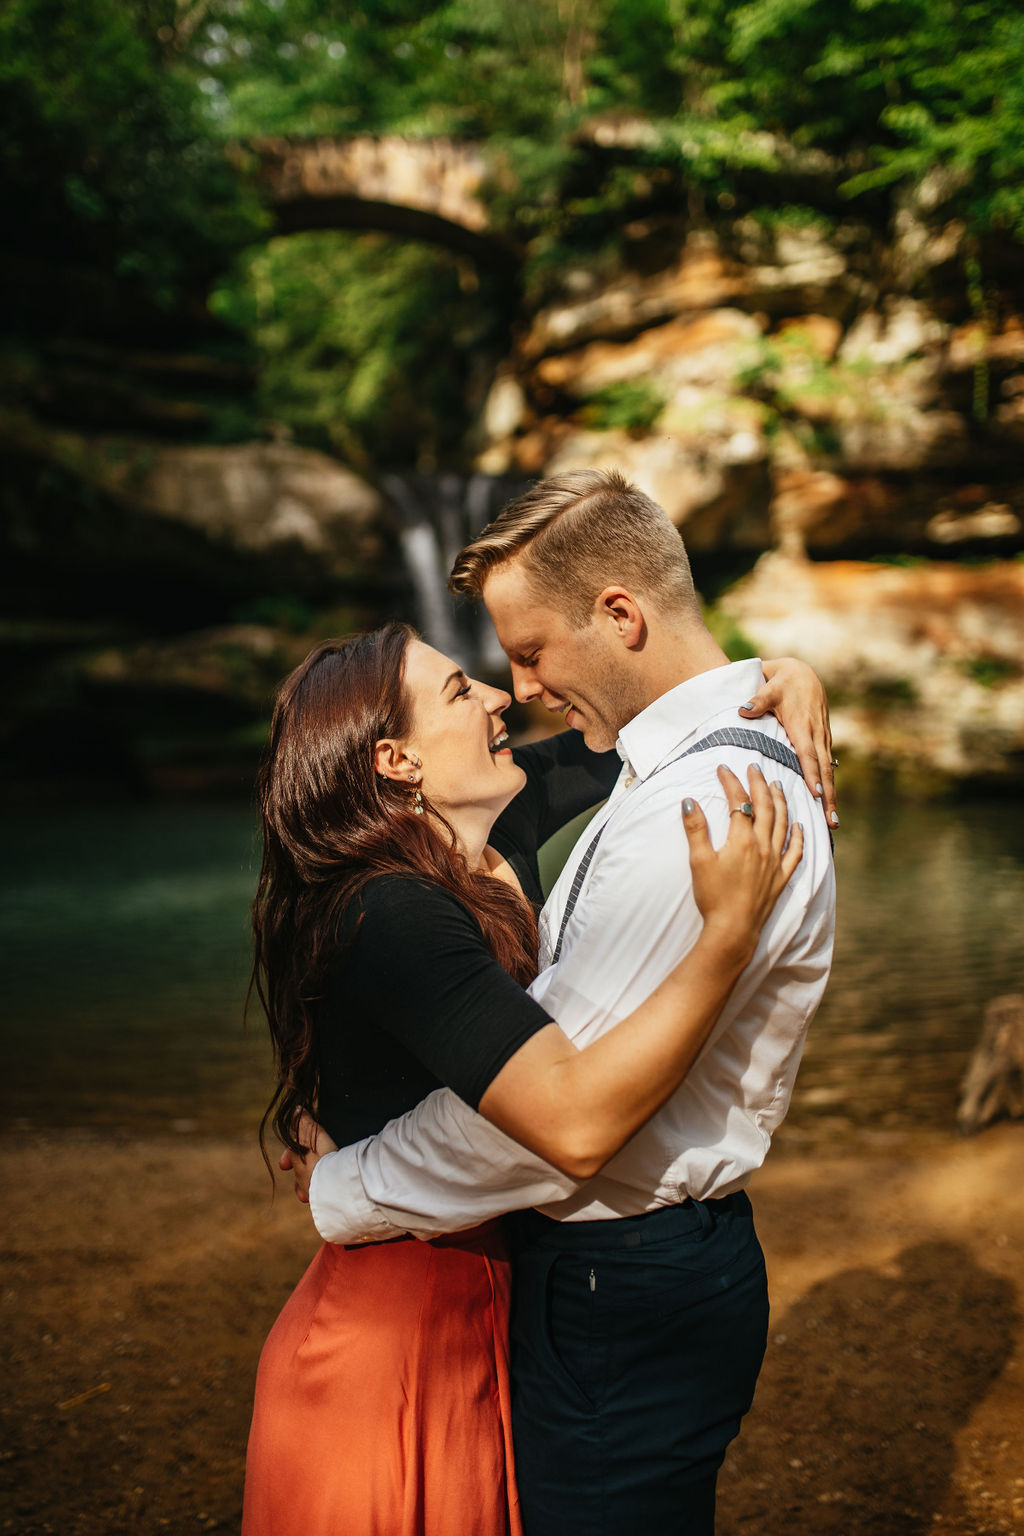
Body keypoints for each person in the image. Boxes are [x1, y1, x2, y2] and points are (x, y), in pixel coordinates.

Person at [288, 470, 837, 1536]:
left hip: (608, 1274)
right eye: (477, 680)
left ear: (620, 615)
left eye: (530, 651)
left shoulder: (694, 807)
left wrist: (342, 1183)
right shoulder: (637, 776)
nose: (517, 689)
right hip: (529, 1272)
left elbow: (560, 1123)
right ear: (394, 762)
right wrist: (777, 677)